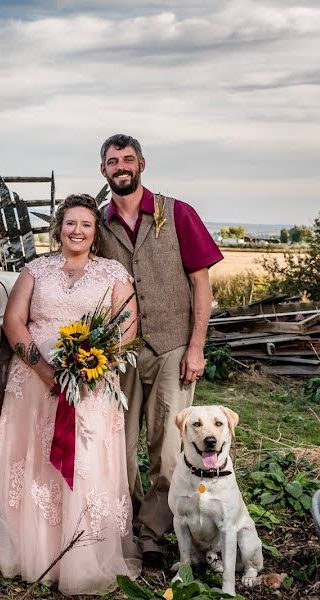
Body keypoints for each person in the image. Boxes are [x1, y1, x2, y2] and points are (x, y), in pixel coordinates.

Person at [0, 194, 141, 595]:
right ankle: (33, 552)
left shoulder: (113, 273)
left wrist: (95, 363)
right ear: (58, 228)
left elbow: (127, 327)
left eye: (86, 225)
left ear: (95, 232)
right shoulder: (36, 269)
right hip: (33, 385)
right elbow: (13, 320)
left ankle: (81, 557)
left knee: (84, 460)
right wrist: (44, 369)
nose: (77, 231)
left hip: (90, 384)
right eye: (70, 223)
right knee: (33, 460)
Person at [96, 134, 224, 570]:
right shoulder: (98, 223)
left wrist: (196, 347)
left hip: (173, 346)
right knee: (119, 445)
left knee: (167, 448)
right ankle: (126, 521)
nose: (121, 166)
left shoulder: (178, 213)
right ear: (104, 171)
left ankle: (153, 535)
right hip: (120, 352)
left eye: (128, 159)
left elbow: (200, 283)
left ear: (142, 164)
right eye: (113, 161)